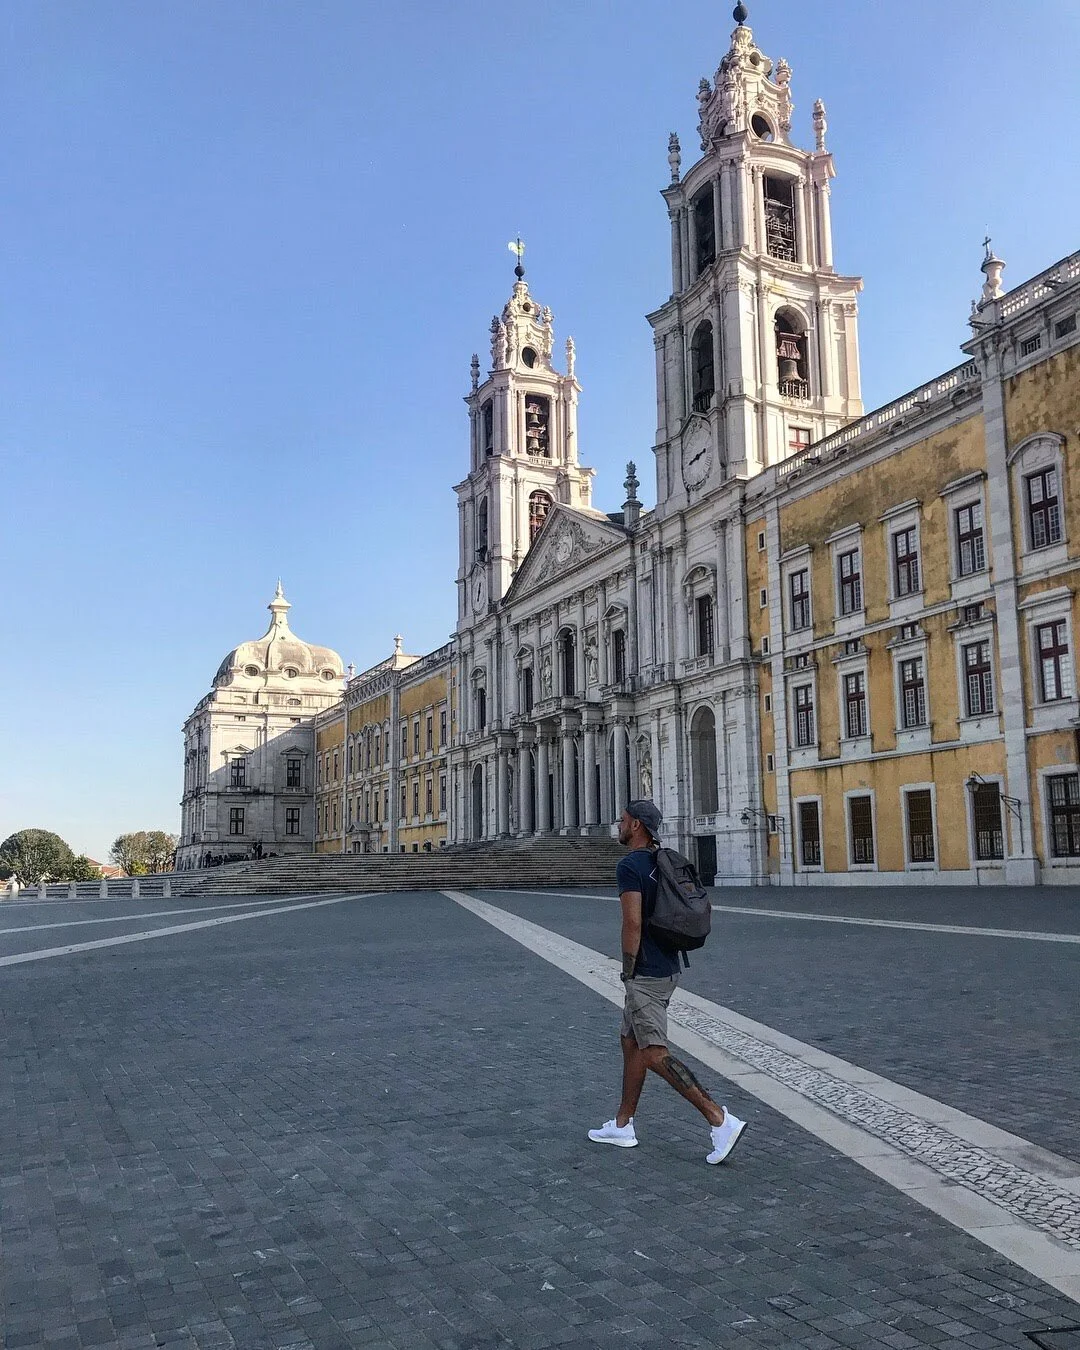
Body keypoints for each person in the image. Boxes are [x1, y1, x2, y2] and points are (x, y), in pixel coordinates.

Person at [588, 799, 747, 1165]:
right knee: (630, 1041)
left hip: (645, 973)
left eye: (624, 820)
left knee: (654, 1052)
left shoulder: (630, 866)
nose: (619, 825)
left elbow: (632, 924)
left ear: (638, 826)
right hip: (669, 965)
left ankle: (719, 1120)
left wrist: (628, 970)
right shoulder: (664, 860)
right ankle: (622, 1124)